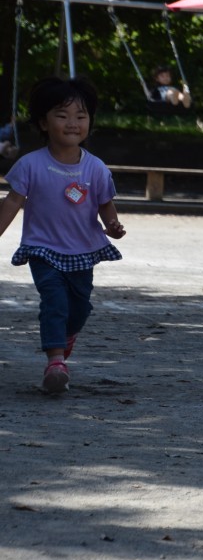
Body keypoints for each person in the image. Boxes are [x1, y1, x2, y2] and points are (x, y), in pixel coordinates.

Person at [0, 76, 126, 394]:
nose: (72, 123)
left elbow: (105, 205)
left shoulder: (96, 169)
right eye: (62, 115)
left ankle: (66, 337)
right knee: (54, 301)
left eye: (81, 116)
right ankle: (55, 362)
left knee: (79, 307)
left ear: (90, 123)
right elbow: (12, 202)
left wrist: (113, 225)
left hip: (84, 249)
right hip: (42, 248)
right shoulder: (29, 165)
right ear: (43, 122)